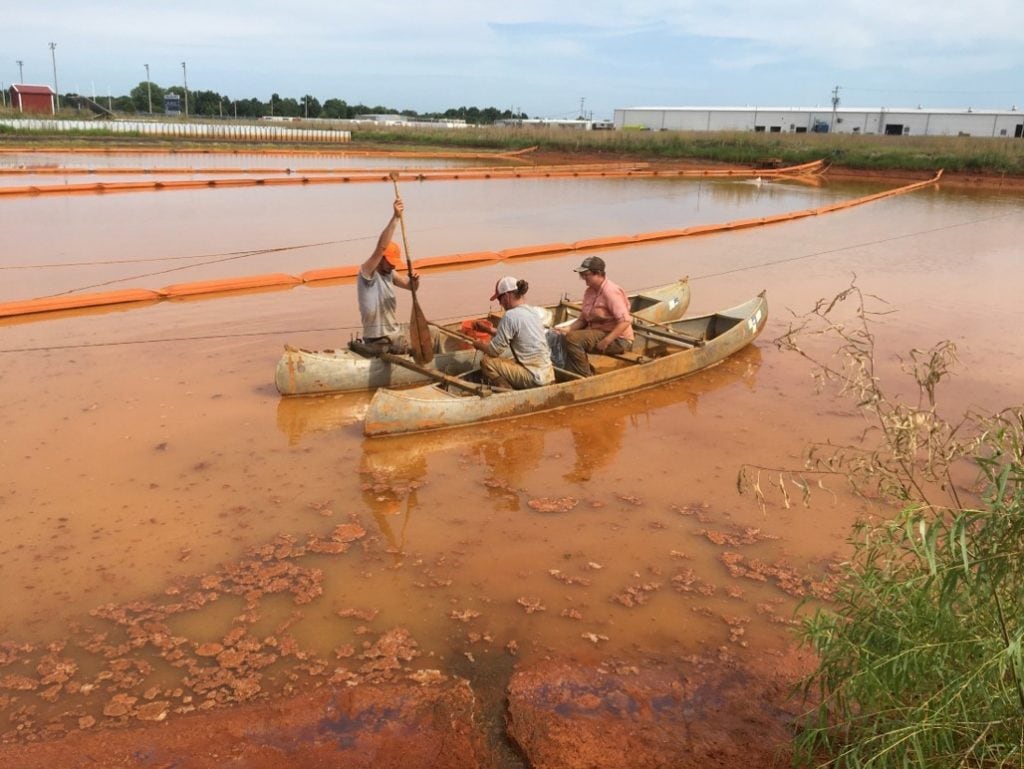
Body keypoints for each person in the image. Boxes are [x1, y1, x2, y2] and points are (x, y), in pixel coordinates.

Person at [356, 199, 420, 354]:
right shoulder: (367, 273)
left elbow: (411, 288)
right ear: (381, 259)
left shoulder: (390, 273)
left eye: (395, 263)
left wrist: (415, 281)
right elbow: (381, 247)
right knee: (415, 349)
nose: (393, 266)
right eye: (390, 262)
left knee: (432, 333)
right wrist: (396, 217)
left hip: (393, 334)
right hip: (379, 339)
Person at [556, 255, 634, 376]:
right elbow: (583, 320)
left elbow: (625, 321)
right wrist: (567, 329)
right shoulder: (589, 291)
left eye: (586, 275)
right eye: (582, 275)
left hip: (618, 340)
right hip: (598, 333)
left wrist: (607, 341)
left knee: (573, 339)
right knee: (563, 336)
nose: (583, 278)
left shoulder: (611, 291)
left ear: (598, 274)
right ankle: (581, 370)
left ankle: (586, 376)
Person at [471, 276, 554, 390]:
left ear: (506, 296)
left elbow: (494, 351)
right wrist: (488, 330)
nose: (500, 304)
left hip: (534, 377)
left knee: (487, 361)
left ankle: (506, 391)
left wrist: (478, 344)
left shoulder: (510, 316)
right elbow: (513, 334)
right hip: (548, 374)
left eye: (500, 299)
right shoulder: (531, 311)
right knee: (510, 360)